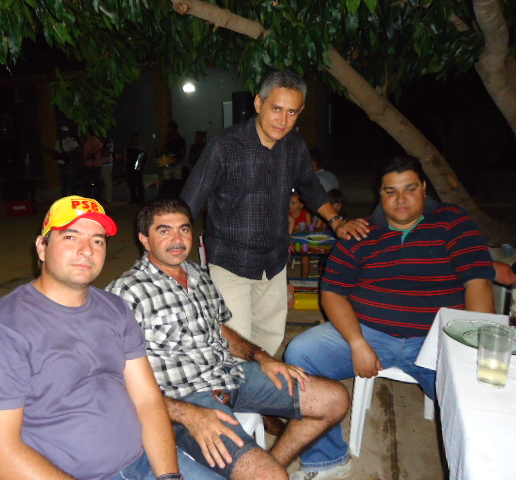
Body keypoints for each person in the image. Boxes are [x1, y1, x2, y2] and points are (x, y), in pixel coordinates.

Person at [0, 196, 220, 480]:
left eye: (97, 241)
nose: (86, 250)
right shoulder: (0, 330)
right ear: (42, 247)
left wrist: (168, 476)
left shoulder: (116, 308)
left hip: (144, 459)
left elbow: (147, 399)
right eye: (71, 237)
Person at [106, 198, 351, 480]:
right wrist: (187, 414)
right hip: (187, 399)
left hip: (231, 374)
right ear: (144, 240)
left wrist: (263, 358)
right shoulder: (125, 293)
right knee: (268, 475)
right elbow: (112, 378)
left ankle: (267, 467)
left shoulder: (197, 273)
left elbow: (220, 327)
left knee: (333, 399)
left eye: (184, 229)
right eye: (164, 231)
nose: (177, 239)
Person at [284, 155, 495, 480]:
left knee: (483, 396)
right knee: (301, 354)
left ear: (423, 188)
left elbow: (477, 283)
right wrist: (357, 342)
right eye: (390, 191)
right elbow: (332, 292)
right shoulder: (361, 232)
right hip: (369, 333)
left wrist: (473, 349)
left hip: (436, 339)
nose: (401, 199)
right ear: (380, 194)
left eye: (410, 188)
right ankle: (328, 460)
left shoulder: (453, 223)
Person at [181, 70, 370, 356]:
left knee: (269, 338)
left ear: (300, 111)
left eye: (291, 112)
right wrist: (170, 252)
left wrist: (336, 221)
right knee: (236, 342)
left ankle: (259, 382)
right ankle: (234, 383)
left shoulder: (294, 145)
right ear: (259, 103)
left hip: (274, 261)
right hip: (231, 260)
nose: (283, 120)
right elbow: (189, 202)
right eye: (277, 108)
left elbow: (310, 185)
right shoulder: (224, 146)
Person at [54, 125, 80, 196]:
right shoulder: (58, 142)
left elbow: (78, 149)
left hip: (69, 163)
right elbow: (56, 152)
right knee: (63, 182)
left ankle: (74, 196)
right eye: (62, 132)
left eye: (65, 132)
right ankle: (64, 196)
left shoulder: (71, 140)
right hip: (61, 163)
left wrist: (70, 152)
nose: (63, 133)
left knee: (71, 181)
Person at [125, 131, 148, 204]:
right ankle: (133, 198)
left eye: (133, 137)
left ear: (136, 137)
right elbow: (127, 157)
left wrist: (139, 166)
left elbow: (142, 158)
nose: (131, 138)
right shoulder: (129, 147)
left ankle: (140, 199)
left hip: (138, 168)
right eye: (130, 137)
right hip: (130, 167)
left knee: (139, 183)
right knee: (131, 183)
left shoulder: (141, 147)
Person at [82, 132, 104, 200]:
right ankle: (98, 197)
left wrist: (83, 161)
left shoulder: (89, 142)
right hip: (98, 164)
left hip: (90, 165)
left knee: (88, 183)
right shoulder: (98, 141)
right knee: (98, 183)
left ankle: (89, 197)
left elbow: (88, 153)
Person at [100, 137, 114, 203]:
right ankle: (101, 197)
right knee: (99, 182)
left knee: (107, 182)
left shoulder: (108, 142)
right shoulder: (97, 141)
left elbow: (108, 153)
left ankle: (108, 198)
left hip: (107, 164)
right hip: (99, 164)